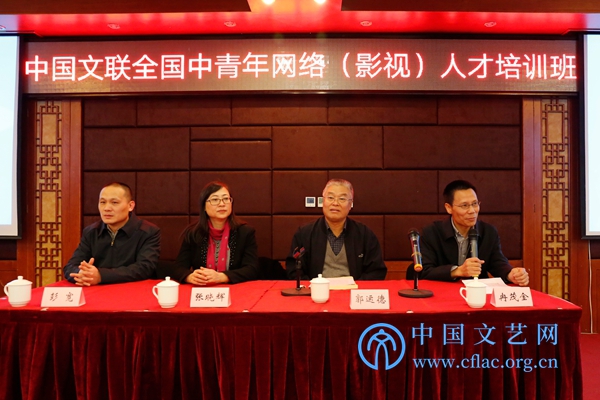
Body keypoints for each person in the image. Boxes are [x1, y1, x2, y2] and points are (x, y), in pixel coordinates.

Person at [419, 179, 529, 286]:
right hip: (444, 292)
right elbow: (425, 270)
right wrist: (458, 271)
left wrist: (511, 274)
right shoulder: (432, 232)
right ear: (449, 208)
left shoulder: (488, 232)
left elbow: (497, 262)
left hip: (478, 292)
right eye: (464, 206)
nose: (472, 211)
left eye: (475, 204)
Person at [286, 179, 387, 280]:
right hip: (316, 289)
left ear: (350, 204)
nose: (335, 203)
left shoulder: (364, 234)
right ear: (323, 201)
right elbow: (294, 269)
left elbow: (376, 271)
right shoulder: (305, 234)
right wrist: (314, 287)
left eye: (342, 199)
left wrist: (356, 286)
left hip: (354, 288)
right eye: (330, 197)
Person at [63, 182, 161, 286]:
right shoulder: (91, 232)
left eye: (114, 202)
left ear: (130, 206)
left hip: (133, 290)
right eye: (102, 202)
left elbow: (144, 268)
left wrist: (101, 276)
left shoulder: (148, 231)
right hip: (97, 290)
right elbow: (70, 266)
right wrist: (83, 274)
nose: (107, 208)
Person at [168, 181, 259, 285]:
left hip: (236, 290)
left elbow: (252, 269)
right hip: (202, 290)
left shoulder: (245, 233)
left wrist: (222, 277)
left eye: (226, 199)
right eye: (215, 200)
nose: (222, 204)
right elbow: (178, 268)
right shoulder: (193, 233)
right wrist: (190, 277)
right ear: (204, 207)